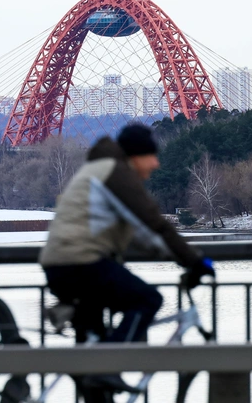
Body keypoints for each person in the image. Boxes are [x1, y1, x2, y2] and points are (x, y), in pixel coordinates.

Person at [39, 124, 215, 392]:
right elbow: (155, 222)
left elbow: (140, 235)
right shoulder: (117, 172)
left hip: (63, 265)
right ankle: (108, 367)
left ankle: (98, 375)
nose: (156, 163)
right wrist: (195, 261)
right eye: (151, 156)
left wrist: (172, 254)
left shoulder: (101, 169)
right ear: (136, 156)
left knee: (93, 351)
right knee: (147, 300)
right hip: (80, 264)